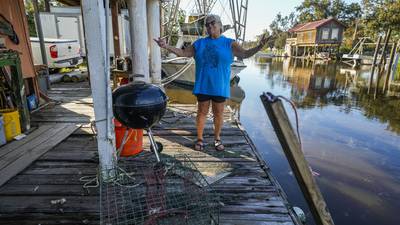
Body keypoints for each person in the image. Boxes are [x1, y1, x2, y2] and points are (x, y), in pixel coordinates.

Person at [154, 14, 269, 151]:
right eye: (207, 25)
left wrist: (259, 47)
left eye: (212, 23)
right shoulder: (199, 43)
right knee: (201, 112)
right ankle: (200, 138)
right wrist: (166, 46)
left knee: (218, 114)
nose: (209, 26)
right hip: (203, 85)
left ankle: (217, 139)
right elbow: (183, 53)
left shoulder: (229, 43)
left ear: (220, 25)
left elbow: (244, 54)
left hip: (220, 87)